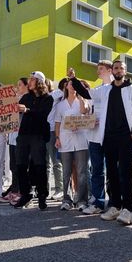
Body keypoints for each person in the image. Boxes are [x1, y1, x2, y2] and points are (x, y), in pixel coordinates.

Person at [72, 60, 132, 226]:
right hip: (108, 138)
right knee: (111, 174)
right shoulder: (105, 90)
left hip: (125, 137)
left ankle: (127, 209)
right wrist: (74, 80)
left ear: (125, 71)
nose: (118, 70)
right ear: (113, 71)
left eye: (121, 68)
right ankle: (115, 206)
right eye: (116, 68)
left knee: (125, 173)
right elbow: (87, 93)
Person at [13, 71, 54, 210]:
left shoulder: (48, 98)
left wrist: (27, 110)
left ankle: (42, 195)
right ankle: (26, 194)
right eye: (29, 79)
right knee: (20, 165)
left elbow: (42, 114)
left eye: (32, 79)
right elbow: (15, 111)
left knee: (39, 165)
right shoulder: (25, 97)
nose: (29, 82)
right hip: (23, 135)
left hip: (38, 135)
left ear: (39, 82)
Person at [81, 60, 113, 215]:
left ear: (109, 70)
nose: (98, 71)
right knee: (97, 170)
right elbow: (90, 107)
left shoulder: (115, 88)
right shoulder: (97, 89)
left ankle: (114, 202)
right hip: (94, 136)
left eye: (101, 69)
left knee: (113, 170)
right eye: (98, 69)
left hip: (109, 136)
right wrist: (90, 118)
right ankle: (98, 201)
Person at [54, 78, 90, 211]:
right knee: (66, 172)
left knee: (82, 172)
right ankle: (66, 199)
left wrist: (81, 96)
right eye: (71, 84)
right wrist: (57, 138)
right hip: (65, 140)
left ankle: (81, 200)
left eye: (76, 85)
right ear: (66, 86)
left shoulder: (82, 101)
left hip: (81, 140)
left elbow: (84, 111)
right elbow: (58, 122)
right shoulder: (60, 105)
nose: (73, 86)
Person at [1, 77, 28, 204]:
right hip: (12, 137)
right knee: (13, 166)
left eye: (20, 85)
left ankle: (21, 192)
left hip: (22, 137)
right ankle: (14, 190)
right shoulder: (15, 99)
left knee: (20, 166)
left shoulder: (27, 99)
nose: (18, 88)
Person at [46, 78, 64, 201]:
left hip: (52, 131)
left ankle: (60, 189)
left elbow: (65, 92)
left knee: (56, 162)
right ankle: (45, 189)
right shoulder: (38, 99)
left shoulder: (55, 94)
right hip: (41, 131)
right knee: (44, 163)